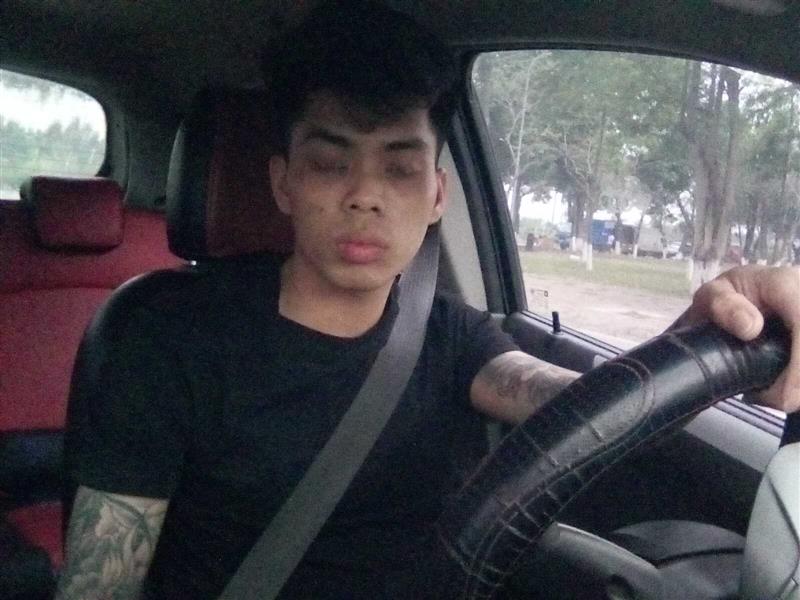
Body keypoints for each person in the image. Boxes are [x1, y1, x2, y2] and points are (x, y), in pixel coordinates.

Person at [56, 2, 800, 599]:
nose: (365, 196)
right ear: (284, 183)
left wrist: (703, 342)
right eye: (330, 163)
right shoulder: (165, 339)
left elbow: (569, 400)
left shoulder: (452, 336)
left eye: (400, 168)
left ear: (438, 195)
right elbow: (100, 585)